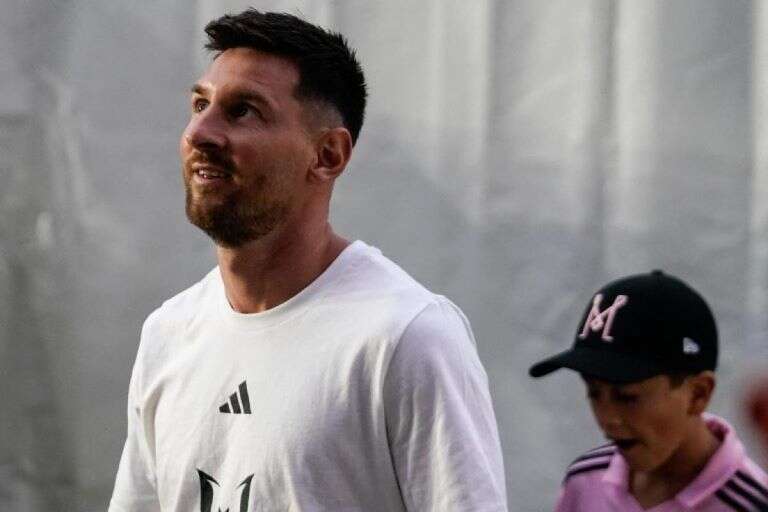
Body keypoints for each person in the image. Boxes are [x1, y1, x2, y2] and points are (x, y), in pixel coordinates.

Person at [108, 9, 507, 512]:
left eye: (243, 111)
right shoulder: (168, 334)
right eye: (200, 105)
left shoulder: (405, 337)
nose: (199, 133)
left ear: (328, 156)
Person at [529, 270, 768, 512]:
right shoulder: (585, 481)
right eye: (593, 392)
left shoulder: (753, 503)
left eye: (627, 397)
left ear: (698, 394)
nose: (608, 418)